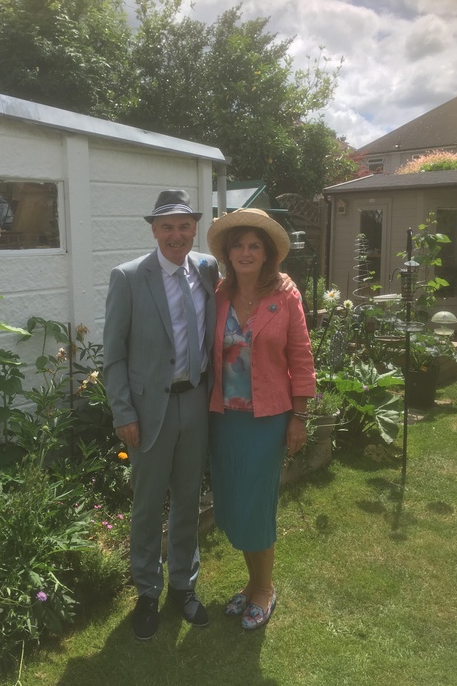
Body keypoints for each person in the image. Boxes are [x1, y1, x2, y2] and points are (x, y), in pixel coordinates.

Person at [103, 189, 219, 640]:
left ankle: (183, 587)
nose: (176, 235)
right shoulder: (129, 277)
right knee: (148, 505)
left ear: (194, 229)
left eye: (184, 226)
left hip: (196, 402)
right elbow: (114, 354)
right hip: (149, 409)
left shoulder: (207, 268)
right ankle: (148, 592)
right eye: (167, 226)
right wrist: (123, 412)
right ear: (154, 230)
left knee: (189, 500)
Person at [206, 208, 316, 630]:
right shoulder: (218, 294)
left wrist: (299, 416)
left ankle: (265, 589)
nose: (246, 253)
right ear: (228, 253)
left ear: (267, 254)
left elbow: (301, 357)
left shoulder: (285, 296)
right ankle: (252, 583)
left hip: (267, 419)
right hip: (224, 418)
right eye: (239, 245)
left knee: (256, 504)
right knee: (235, 503)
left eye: (255, 246)